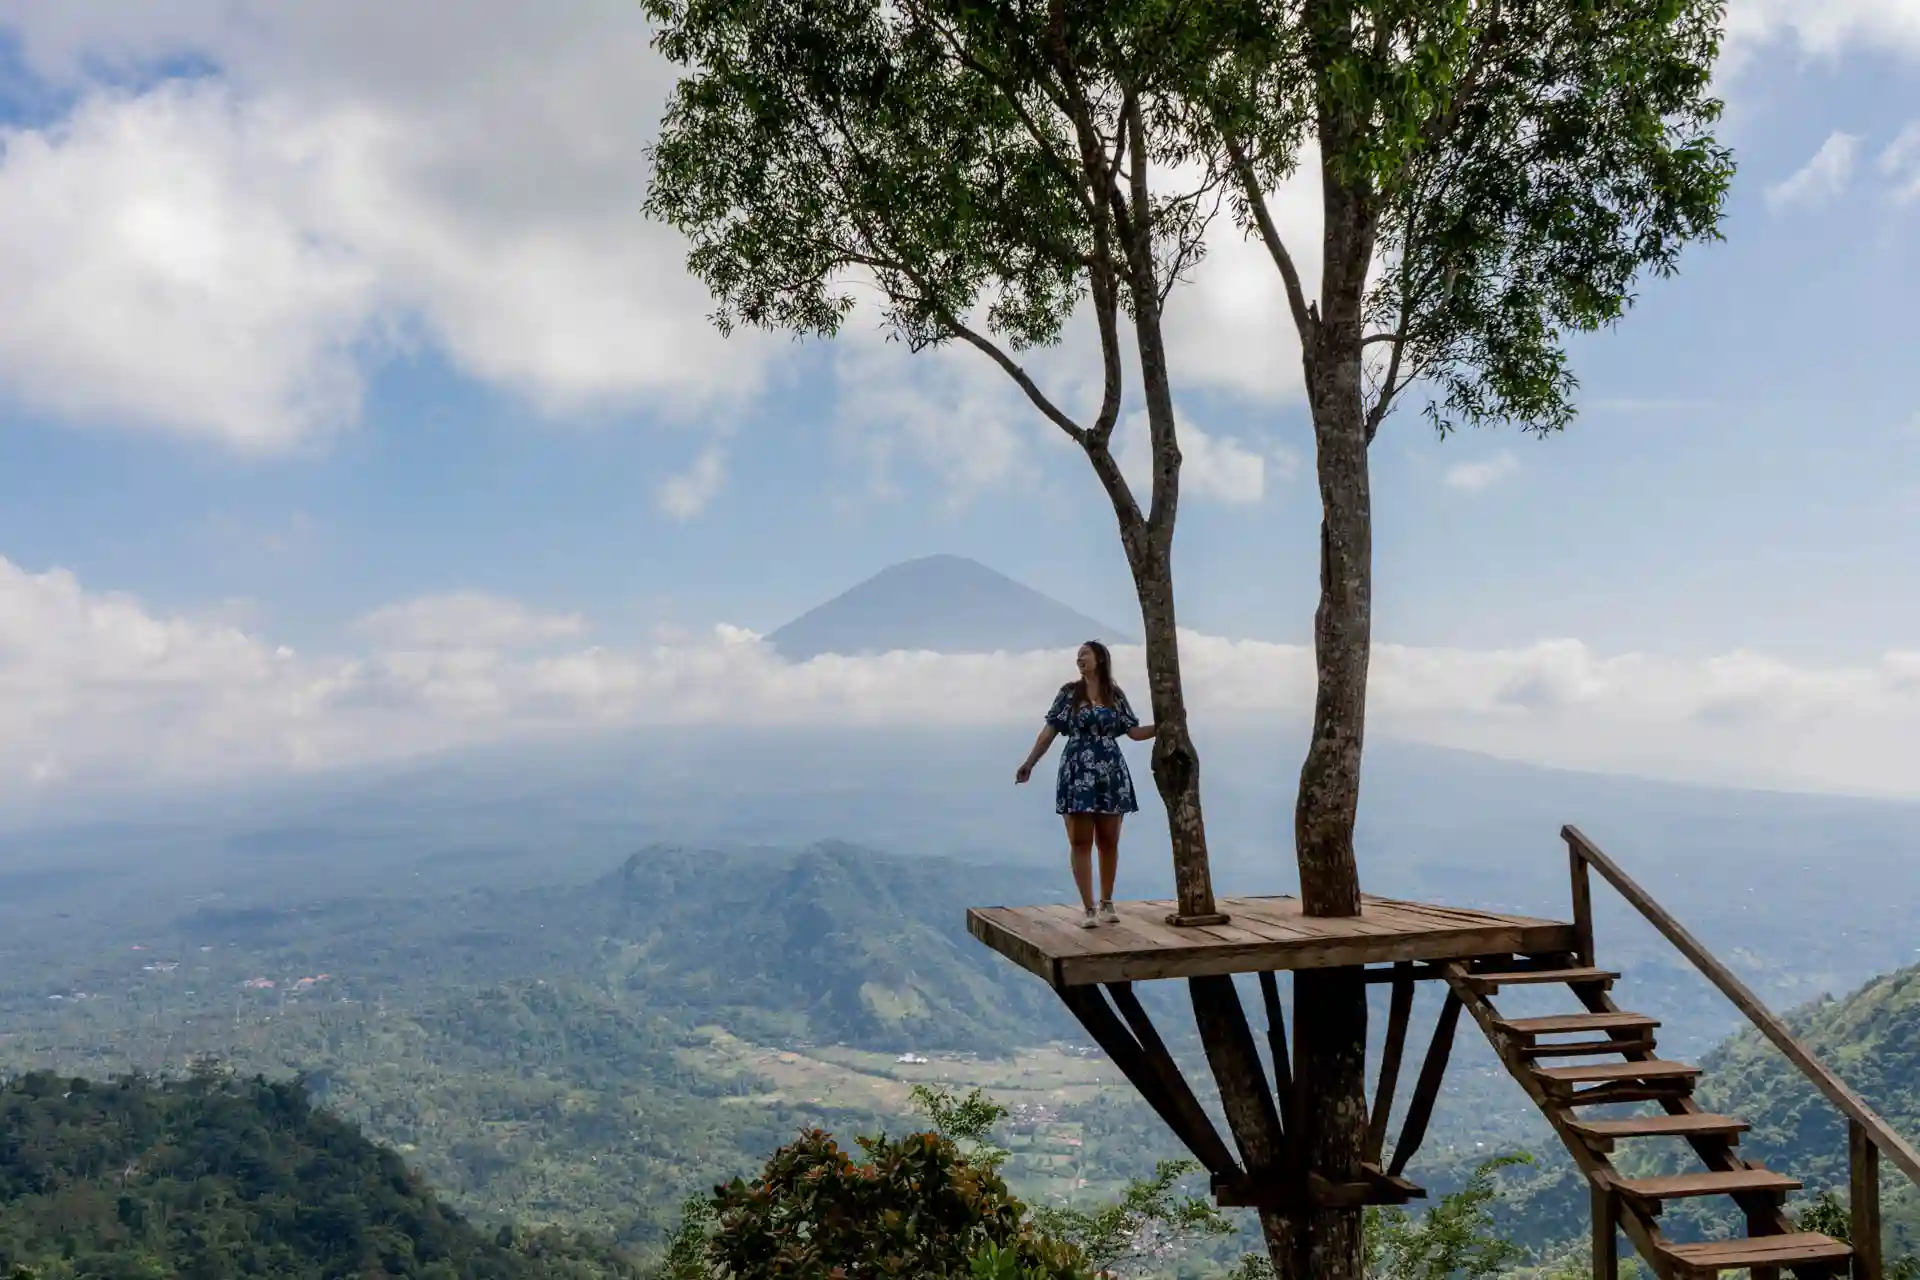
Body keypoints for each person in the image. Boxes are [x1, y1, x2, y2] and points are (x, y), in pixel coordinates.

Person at [1014, 639, 1157, 928]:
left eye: (1084, 654)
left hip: (1109, 771)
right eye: (1077, 655)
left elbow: (1134, 732)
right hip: (1077, 769)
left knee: (1109, 841)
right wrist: (1030, 762)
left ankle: (1107, 903)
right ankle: (1089, 908)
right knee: (1080, 840)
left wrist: (1166, 725)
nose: (1079, 659)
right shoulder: (1069, 693)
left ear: (1100, 659)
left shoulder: (1114, 695)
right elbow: (1049, 732)